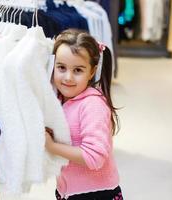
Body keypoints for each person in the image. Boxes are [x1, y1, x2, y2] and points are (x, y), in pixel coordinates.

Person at [45, 29, 123, 200]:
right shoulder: (59, 98)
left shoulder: (92, 104)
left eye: (78, 70)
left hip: (96, 194)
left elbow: (94, 157)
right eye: (61, 67)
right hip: (68, 190)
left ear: (92, 72)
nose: (68, 77)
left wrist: (51, 146)